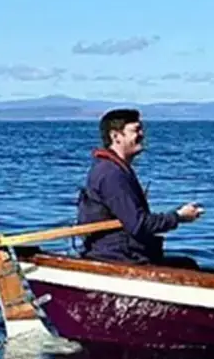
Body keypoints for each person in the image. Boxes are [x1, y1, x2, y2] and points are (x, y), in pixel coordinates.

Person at [76, 108, 204, 266]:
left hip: (124, 254)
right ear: (116, 136)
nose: (142, 134)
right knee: (187, 266)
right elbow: (138, 225)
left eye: (142, 129)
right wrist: (178, 217)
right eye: (136, 130)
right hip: (119, 258)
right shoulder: (111, 174)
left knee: (186, 264)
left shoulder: (114, 169)